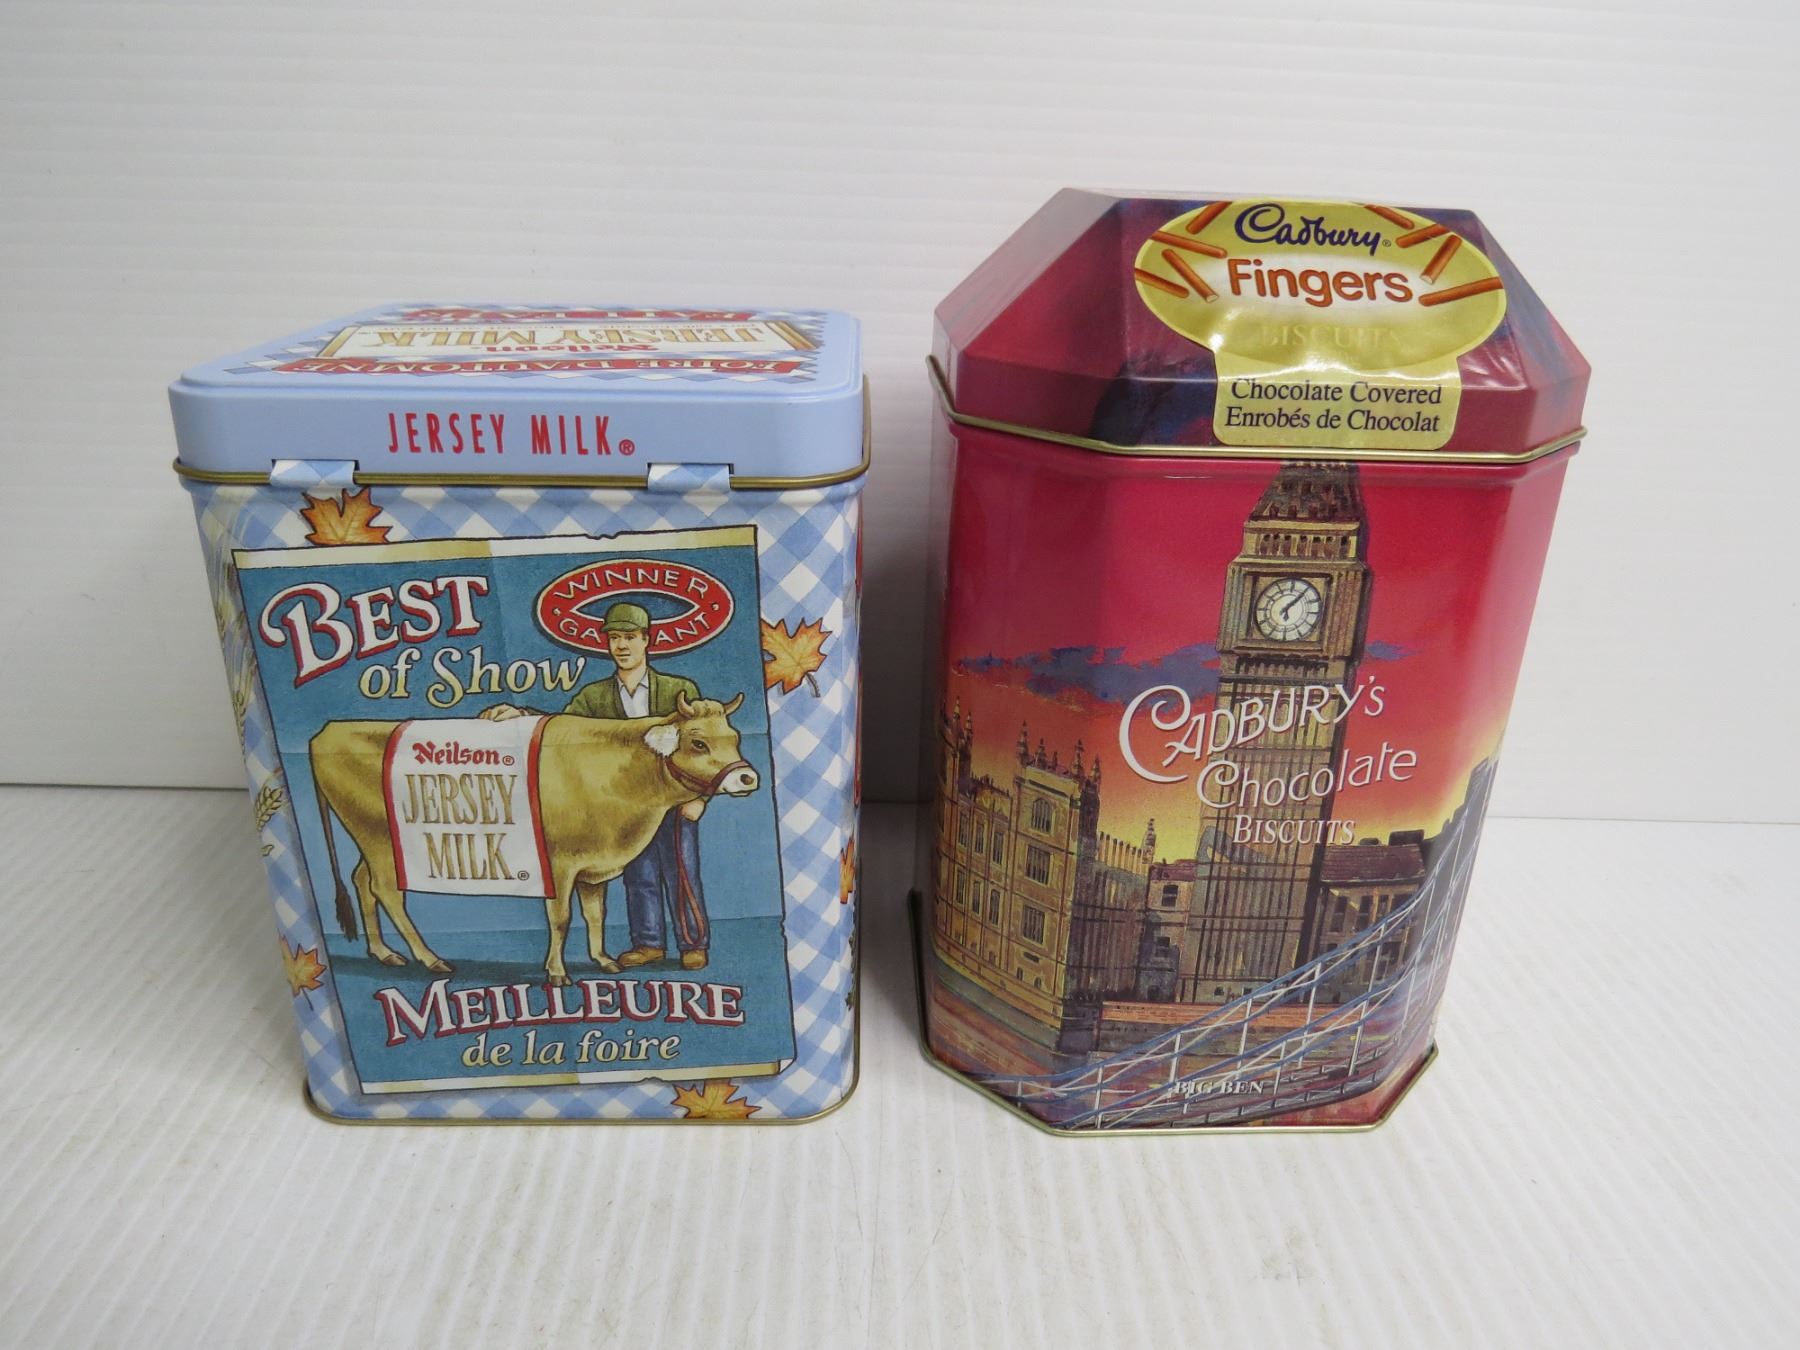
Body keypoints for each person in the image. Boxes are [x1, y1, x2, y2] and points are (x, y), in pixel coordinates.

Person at [486, 601, 711, 970]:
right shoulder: (595, 696)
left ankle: (693, 944)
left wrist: (700, 797)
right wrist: (523, 716)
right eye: (615, 638)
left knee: (682, 873)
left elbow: (706, 747)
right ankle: (649, 943)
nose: (621, 645)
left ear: (646, 640)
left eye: (630, 637)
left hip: (673, 803)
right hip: (624, 808)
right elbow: (566, 730)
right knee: (639, 877)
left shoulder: (679, 691)